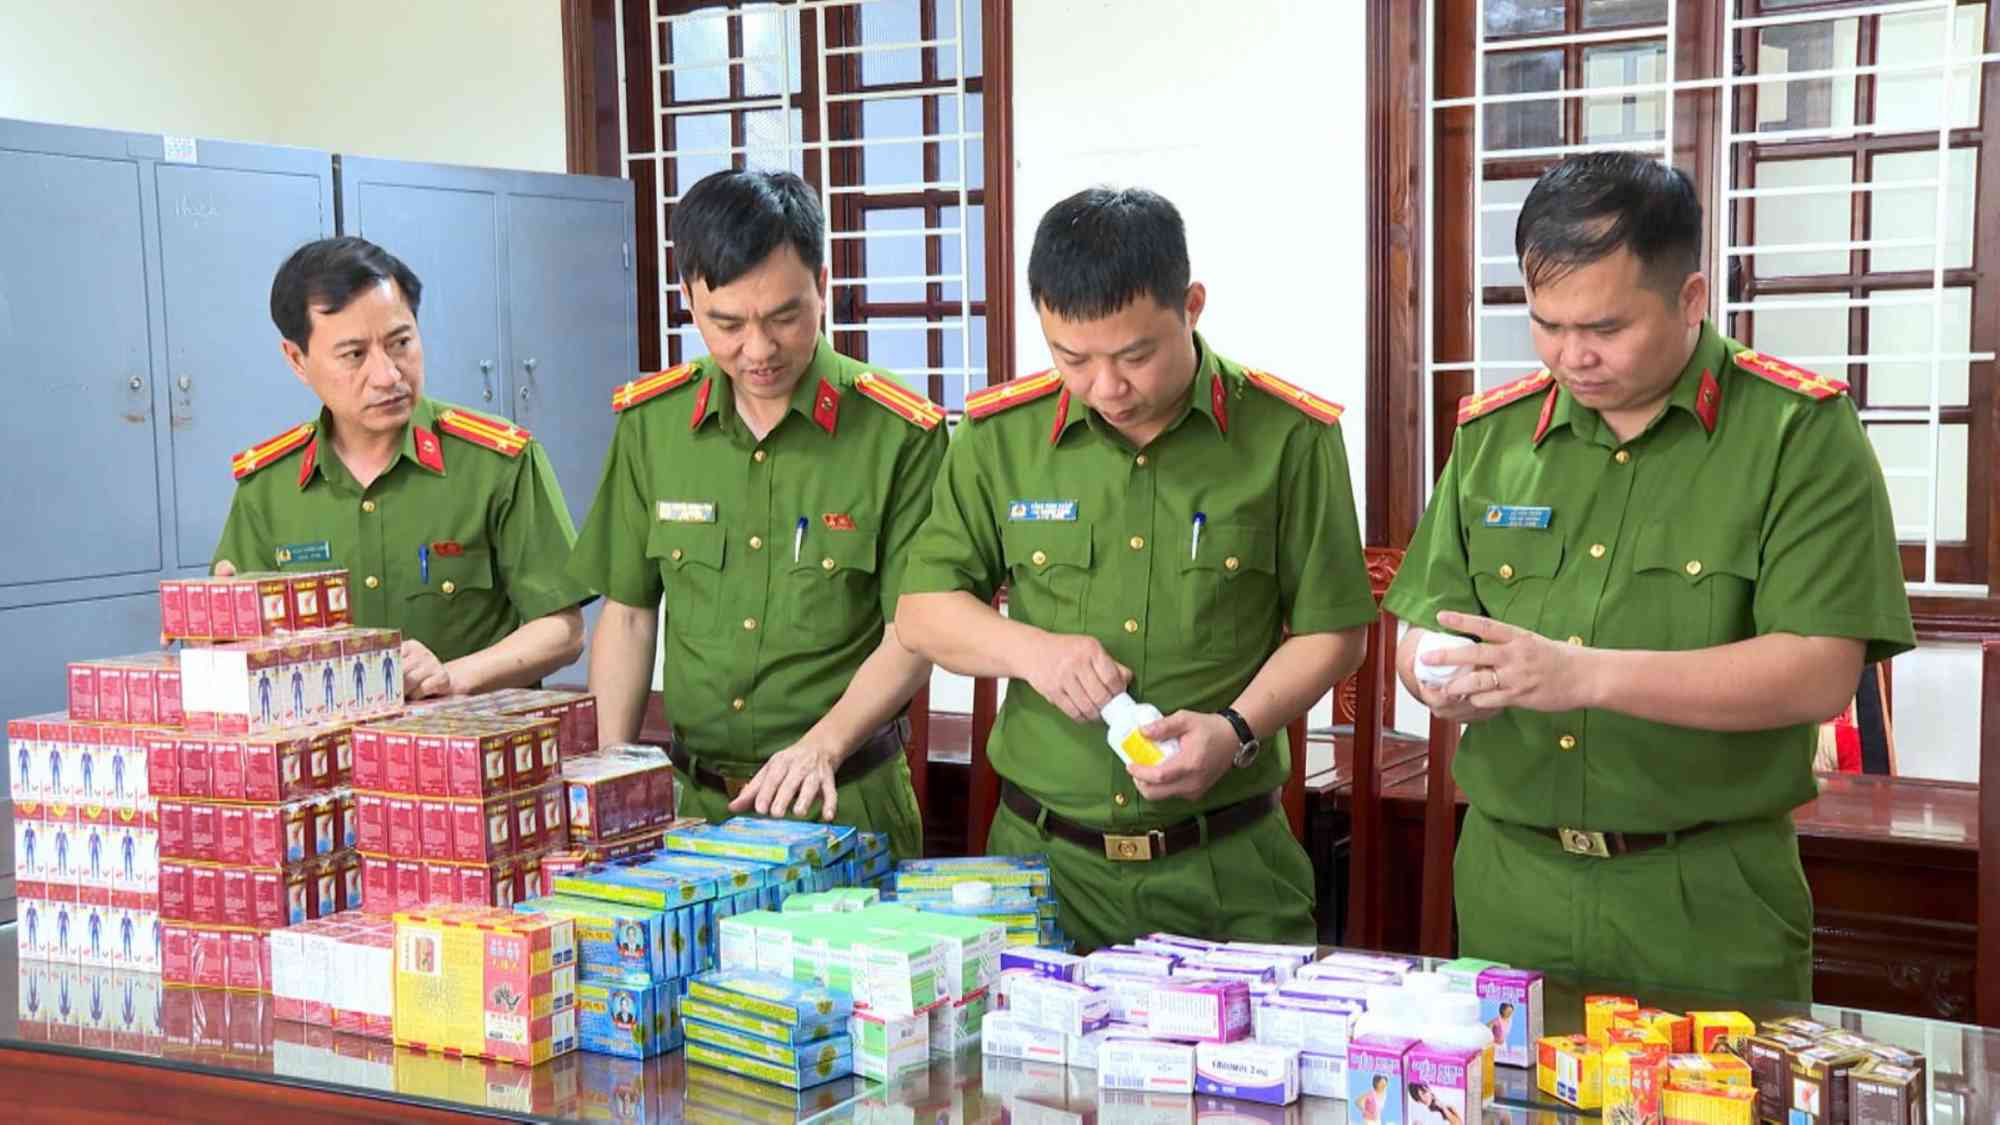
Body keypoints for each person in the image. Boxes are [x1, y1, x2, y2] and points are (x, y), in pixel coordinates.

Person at [1381, 152, 1915, 1001]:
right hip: (1513, 884)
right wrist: (1435, 672)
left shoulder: (1796, 433)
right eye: (1547, 324)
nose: (1572, 355)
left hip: (1705, 895)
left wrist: (1582, 674)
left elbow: (1819, 670)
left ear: (1691, 298)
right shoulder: (1494, 436)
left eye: (1604, 328)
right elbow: (1423, 627)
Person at [895, 187, 1375, 947]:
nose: (1106, 388)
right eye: (1071, 358)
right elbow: (922, 609)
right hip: (1043, 870)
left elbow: (1336, 631)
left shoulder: (1288, 437)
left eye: (1135, 355)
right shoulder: (999, 437)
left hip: (1227, 871)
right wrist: (1035, 652)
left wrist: (1236, 730)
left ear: (1191, 305)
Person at [567, 170, 947, 857]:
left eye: (784, 316)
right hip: (693, 810)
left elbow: (913, 635)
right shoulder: (653, 426)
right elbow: (626, 614)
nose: (760, 350)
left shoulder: (898, 433)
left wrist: (820, 747)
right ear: (689, 299)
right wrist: (614, 775)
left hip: (843, 800)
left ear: (823, 286)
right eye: (729, 324)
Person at [213, 238, 591, 699]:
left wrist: (454, 676)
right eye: (354, 355)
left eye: (401, 343)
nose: (388, 375)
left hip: (468, 754)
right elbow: (243, 643)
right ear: (297, 360)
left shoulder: (496, 463)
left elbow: (563, 630)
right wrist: (218, 626)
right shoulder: (268, 487)